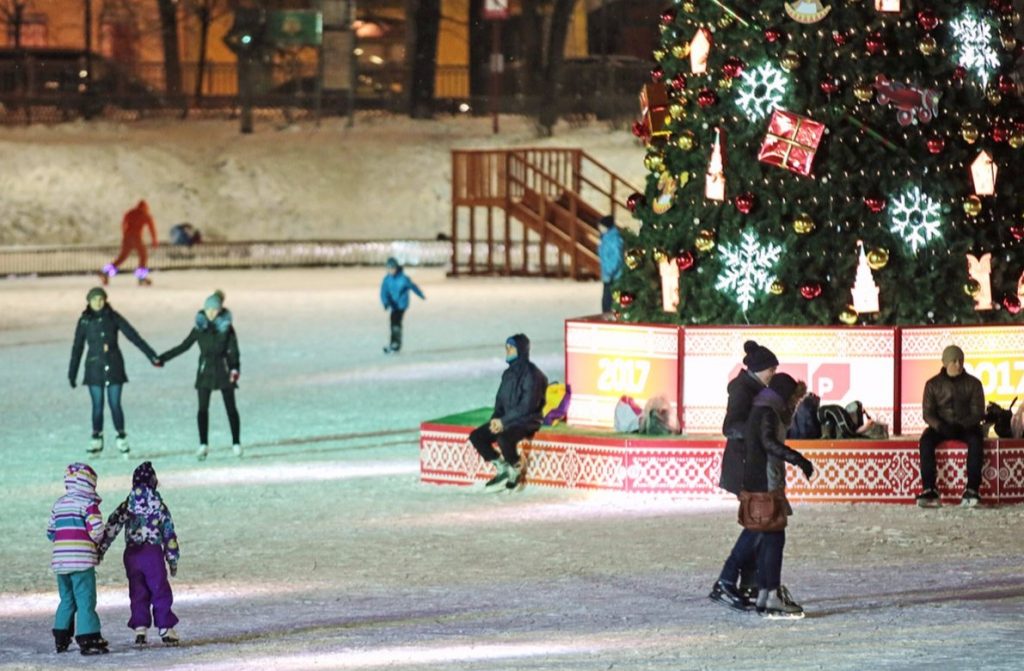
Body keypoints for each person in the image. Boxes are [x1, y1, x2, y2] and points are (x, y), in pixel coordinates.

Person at [709, 340, 778, 611]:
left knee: (760, 523)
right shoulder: (742, 390)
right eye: (770, 369)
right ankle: (727, 580)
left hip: (752, 466)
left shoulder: (758, 389)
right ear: (759, 369)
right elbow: (730, 427)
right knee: (759, 524)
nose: (773, 374)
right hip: (744, 467)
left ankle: (749, 582)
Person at [743, 372, 815, 619]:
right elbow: (769, 443)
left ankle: (765, 593)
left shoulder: (766, 408)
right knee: (772, 539)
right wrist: (799, 460)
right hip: (766, 483)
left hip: (763, 480)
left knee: (769, 538)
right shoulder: (767, 411)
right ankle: (769, 594)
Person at [68, 287, 161, 456]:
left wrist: (152, 355)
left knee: (115, 404)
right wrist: (72, 373)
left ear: (105, 300)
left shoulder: (113, 317)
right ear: (89, 302)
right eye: (94, 299)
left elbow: (133, 336)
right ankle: (96, 437)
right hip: (94, 368)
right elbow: (77, 347)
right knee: (97, 406)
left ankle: (121, 436)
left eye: (101, 299)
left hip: (114, 367)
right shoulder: (85, 321)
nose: (98, 302)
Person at [98, 461, 180, 647]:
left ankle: (140, 628)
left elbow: (112, 526)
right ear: (153, 482)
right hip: (152, 554)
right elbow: (169, 533)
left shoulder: (127, 505)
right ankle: (165, 627)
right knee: (159, 589)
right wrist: (172, 559)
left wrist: (101, 549)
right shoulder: (159, 506)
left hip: (132, 554)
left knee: (137, 591)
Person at [158, 290, 242, 461]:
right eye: (208, 310)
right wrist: (162, 358)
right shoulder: (199, 328)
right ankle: (203, 444)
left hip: (224, 371)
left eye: (214, 310)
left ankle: (236, 443)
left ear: (219, 310)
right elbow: (184, 346)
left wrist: (235, 369)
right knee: (202, 409)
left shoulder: (226, 328)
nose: (211, 313)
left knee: (231, 408)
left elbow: (234, 351)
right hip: (205, 372)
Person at [469, 334, 548, 490]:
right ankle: (502, 467)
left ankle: (516, 466)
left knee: (504, 438)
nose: (508, 350)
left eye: (511, 348)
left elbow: (527, 407)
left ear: (520, 350)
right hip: (507, 420)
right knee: (477, 436)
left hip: (527, 421)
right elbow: (500, 401)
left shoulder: (532, 374)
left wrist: (503, 422)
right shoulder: (508, 374)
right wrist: (495, 420)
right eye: (507, 347)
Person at [47, 462, 109, 655]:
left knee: (66, 599)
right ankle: (88, 637)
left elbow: (50, 532)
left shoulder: (59, 504)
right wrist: (99, 539)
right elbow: (97, 531)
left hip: (61, 563)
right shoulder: (88, 505)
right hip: (81, 562)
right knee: (85, 600)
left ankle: (61, 635)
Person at [916, 345, 986, 508]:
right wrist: (940, 426)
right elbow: (928, 413)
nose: (958, 364)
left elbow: (978, 412)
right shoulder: (932, 384)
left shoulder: (974, 383)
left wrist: (962, 425)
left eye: (961, 360)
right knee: (926, 442)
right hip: (941, 427)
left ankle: (972, 489)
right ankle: (929, 488)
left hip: (966, 427)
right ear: (946, 363)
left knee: (976, 441)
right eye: (954, 361)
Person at [102, 200, 159, 286]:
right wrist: (154, 240)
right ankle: (141, 277)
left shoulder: (130, 213)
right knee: (143, 256)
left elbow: (123, 224)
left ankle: (106, 272)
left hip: (127, 238)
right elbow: (152, 229)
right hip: (136, 238)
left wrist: (125, 234)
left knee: (122, 257)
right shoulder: (145, 215)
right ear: (145, 208)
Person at [380, 257, 425, 354]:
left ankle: (396, 343)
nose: (391, 271)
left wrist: (420, 294)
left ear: (396, 268)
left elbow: (413, 287)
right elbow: (384, 292)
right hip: (393, 305)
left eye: (393, 268)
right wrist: (385, 302)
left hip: (401, 305)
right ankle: (393, 343)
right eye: (389, 269)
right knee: (393, 323)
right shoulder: (387, 279)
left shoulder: (403, 279)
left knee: (396, 322)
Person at [597, 215, 624, 314]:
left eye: (601, 226)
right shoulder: (604, 238)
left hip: (614, 275)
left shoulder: (614, 238)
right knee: (606, 299)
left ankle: (611, 315)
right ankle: (606, 314)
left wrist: (610, 270)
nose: (600, 228)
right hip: (607, 275)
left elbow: (617, 257)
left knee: (609, 298)